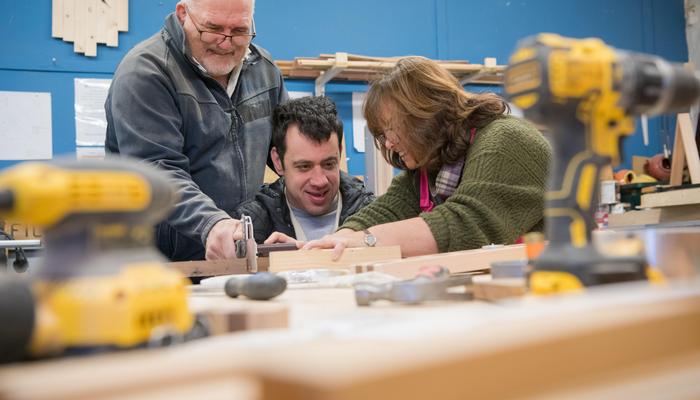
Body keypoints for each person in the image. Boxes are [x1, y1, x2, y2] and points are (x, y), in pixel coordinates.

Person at [304, 56, 551, 258]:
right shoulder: (432, 163)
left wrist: (365, 240)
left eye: (393, 128)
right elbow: (384, 211)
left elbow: (466, 226)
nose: (389, 142)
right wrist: (336, 240)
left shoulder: (506, 140)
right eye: (383, 134)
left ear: (426, 113)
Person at [105, 0, 287, 261]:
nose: (225, 42)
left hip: (235, 251)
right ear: (183, 15)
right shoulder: (146, 72)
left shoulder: (264, 71)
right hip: (157, 262)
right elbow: (158, 170)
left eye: (239, 31)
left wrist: (352, 204)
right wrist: (212, 224)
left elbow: (295, 152)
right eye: (212, 29)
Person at [235, 96, 375, 244]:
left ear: (339, 153)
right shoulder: (251, 225)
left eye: (328, 164)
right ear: (278, 162)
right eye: (304, 167)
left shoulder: (372, 213)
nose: (319, 181)